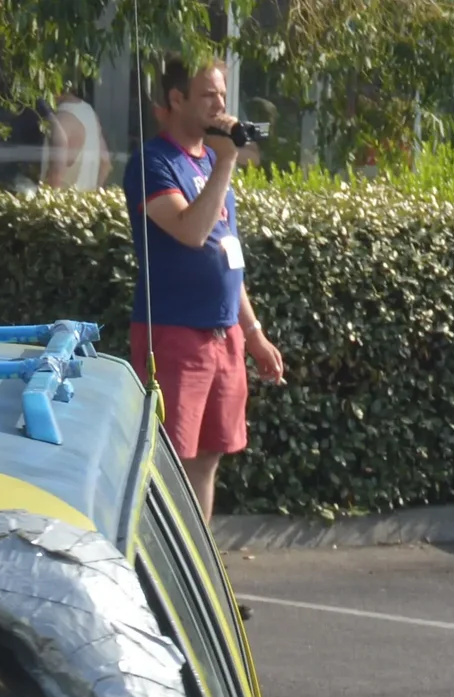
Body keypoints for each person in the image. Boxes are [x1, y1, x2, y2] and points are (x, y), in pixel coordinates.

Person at [123, 56, 287, 521]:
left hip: (223, 337)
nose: (221, 106)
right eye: (208, 95)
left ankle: (200, 580)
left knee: (208, 459)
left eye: (222, 94)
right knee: (169, 463)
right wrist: (228, 161)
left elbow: (225, 251)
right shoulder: (154, 162)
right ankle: (159, 580)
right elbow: (191, 233)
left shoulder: (212, 163)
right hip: (176, 336)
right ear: (176, 100)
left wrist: (252, 333)